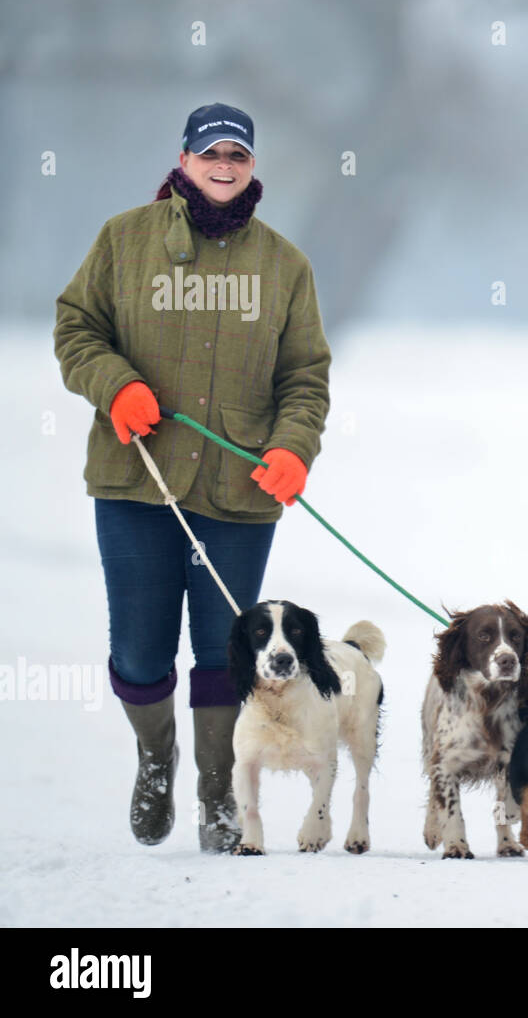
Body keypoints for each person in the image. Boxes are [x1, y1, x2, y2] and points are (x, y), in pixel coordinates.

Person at [54, 103, 331, 852]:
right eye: (210, 150)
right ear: (183, 161)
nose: (224, 162)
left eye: (237, 152)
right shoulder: (124, 241)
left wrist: (293, 449)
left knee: (224, 651)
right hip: (134, 481)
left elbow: (306, 376)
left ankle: (216, 791)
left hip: (240, 493)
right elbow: (76, 325)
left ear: (251, 166)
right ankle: (156, 758)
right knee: (142, 650)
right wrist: (115, 386)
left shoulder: (284, 265)